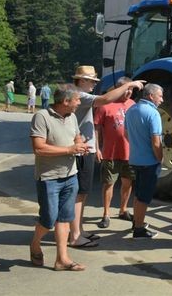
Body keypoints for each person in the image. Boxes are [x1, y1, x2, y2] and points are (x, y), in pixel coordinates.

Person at [69, 65, 145, 248]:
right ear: (82, 80)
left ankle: (79, 230)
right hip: (83, 149)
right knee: (79, 193)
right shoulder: (81, 95)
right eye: (92, 81)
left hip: (87, 149)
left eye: (95, 81)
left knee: (83, 193)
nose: (94, 84)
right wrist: (131, 84)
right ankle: (75, 234)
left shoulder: (81, 96)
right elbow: (104, 99)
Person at [29, 84, 90, 271]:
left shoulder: (71, 117)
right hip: (49, 178)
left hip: (70, 176)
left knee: (64, 218)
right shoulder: (42, 117)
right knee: (48, 220)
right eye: (77, 100)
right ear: (65, 101)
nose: (79, 103)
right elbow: (38, 148)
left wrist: (80, 145)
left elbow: (77, 136)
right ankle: (35, 244)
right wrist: (69, 149)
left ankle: (62, 259)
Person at [94, 77, 136, 229]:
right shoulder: (105, 105)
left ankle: (123, 210)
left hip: (130, 153)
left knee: (127, 182)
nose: (129, 92)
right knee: (108, 183)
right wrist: (97, 148)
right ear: (118, 89)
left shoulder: (133, 105)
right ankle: (106, 214)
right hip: (110, 152)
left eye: (131, 89)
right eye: (126, 89)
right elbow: (96, 128)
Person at [125, 83, 164, 239]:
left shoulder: (131, 110)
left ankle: (137, 221)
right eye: (160, 96)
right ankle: (139, 229)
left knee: (138, 193)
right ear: (151, 96)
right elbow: (156, 142)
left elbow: (126, 134)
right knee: (144, 197)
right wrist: (160, 158)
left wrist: (137, 146)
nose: (162, 100)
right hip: (149, 161)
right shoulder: (153, 114)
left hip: (135, 159)